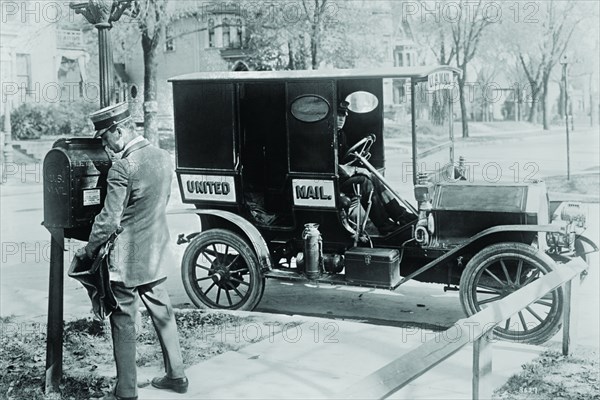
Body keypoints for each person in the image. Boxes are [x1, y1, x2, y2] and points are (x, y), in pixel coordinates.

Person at [75, 102, 188, 400]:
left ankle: (126, 390)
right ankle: (177, 375)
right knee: (163, 312)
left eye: (105, 138)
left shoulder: (122, 167)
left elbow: (108, 221)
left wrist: (89, 249)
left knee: (123, 319)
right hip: (156, 253)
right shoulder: (164, 157)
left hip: (126, 262)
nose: (105, 145)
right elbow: (159, 203)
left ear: (120, 131)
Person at [337, 101, 408, 234]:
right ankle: (384, 226)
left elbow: (345, 156)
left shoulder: (340, 135)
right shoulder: (326, 137)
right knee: (364, 182)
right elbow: (332, 165)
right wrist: (356, 170)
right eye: (338, 115)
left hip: (341, 178)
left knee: (374, 177)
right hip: (333, 181)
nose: (341, 119)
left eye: (344, 115)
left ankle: (401, 215)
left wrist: (358, 156)